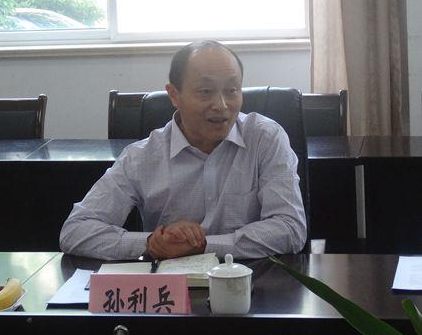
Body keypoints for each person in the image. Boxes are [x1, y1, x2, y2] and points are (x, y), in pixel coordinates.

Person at [60, 40, 307, 260]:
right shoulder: (142, 156)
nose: (221, 105)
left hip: (254, 284)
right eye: (205, 92)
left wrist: (204, 246)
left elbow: (290, 228)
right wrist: (151, 244)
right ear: (174, 95)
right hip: (171, 289)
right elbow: (76, 231)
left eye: (232, 90)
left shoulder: (265, 138)